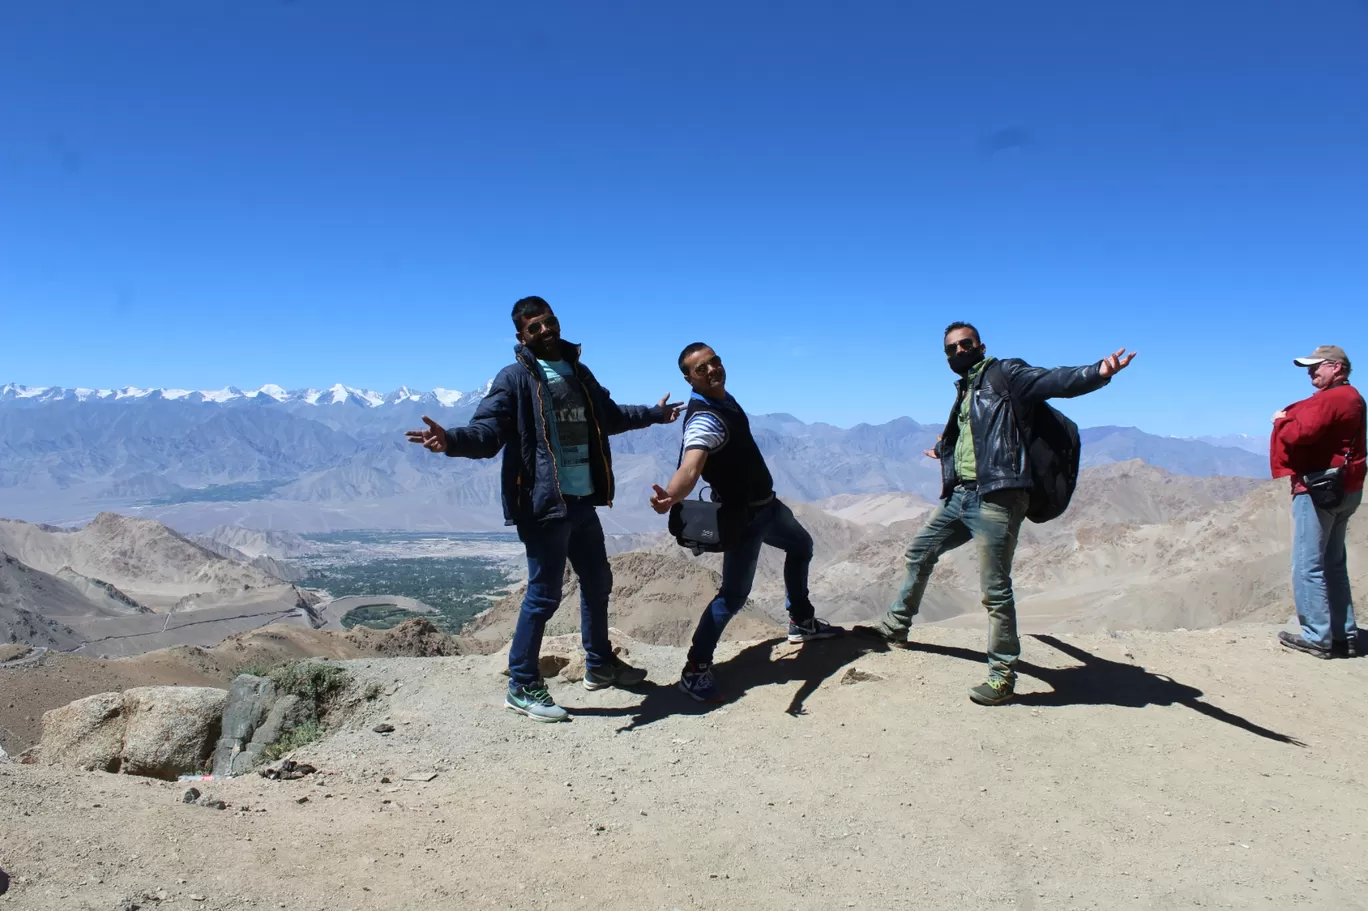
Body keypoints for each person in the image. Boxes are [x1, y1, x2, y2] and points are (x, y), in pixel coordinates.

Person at [406, 296, 682, 722]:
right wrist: (452, 441)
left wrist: (655, 414)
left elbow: (607, 415)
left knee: (597, 582)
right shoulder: (514, 378)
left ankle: (599, 664)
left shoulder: (579, 372)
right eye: (534, 328)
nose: (545, 331)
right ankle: (521, 684)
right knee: (544, 594)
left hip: (581, 498)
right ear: (521, 337)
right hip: (542, 503)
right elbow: (489, 430)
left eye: (548, 322)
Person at [859, 322, 1136, 706]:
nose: (958, 351)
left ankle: (1002, 676)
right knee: (920, 551)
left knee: (995, 590)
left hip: (998, 499)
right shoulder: (967, 388)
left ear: (980, 345)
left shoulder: (1006, 374)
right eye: (951, 349)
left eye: (965, 344)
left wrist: (1097, 372)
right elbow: (978, 437)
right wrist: (944, 452)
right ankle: (894, 627)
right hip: (962, 496)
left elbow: (1053, 380)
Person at [649, 343, 844, 703]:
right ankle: (695, 669)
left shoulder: (723, 400)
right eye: (701, 369)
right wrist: (671, 496)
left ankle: (801, 621)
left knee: (801, 546)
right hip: (744, 520)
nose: (711, 371)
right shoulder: (705, 418)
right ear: (689, 378)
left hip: (768, 507)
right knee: (733, 597)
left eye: (714, 363)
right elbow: (692, 466)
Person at [1270, 345, 1365, 660]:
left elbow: (1300, 433)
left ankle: (1316, 636)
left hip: (1318, 488)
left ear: (1336, 367)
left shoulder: (1331, 399)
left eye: (1317, 366)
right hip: (1347, 487)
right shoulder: (1354, 398)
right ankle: (1344, 635)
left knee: (1307, 564)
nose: (1311, 372)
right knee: (1334, 563)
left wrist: (1281, 420)